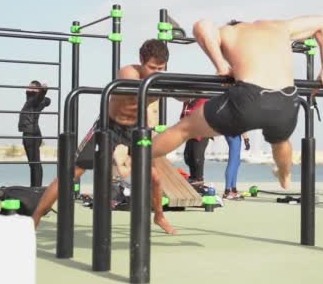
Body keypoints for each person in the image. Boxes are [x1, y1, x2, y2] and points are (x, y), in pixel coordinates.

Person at [151, 16, 323, 190]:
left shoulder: (230, 31)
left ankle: (135, 160)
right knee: (280, 140)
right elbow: (322, 23)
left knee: (184, 129)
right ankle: (285, 175)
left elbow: (201, 26)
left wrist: (221, 65)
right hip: (287, 100)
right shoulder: (280, 26)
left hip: (250, 98)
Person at [32, 39, 177, 234]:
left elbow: (183, 95)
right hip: (110, 127)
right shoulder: (128, 72)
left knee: (155, 178)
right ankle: (36, 217)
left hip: (135, 130)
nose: (156, 72)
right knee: (71, 174)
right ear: (141, 60)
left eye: (161, 68)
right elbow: (137, 88)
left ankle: (159, 216)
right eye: (152, 67)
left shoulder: (159, 78)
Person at [18, 80, 51, 187]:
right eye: (29, 86)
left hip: (31, 134)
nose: (28, 89)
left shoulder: (34, 100)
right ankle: (34, 186)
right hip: (31, 133)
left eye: (32, 87)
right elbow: (46, 101)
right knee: (33, 164)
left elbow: (41, 98)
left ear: (37, 90)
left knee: (35, 164)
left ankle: (36, 187)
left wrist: (43, 91)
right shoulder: (32, 100)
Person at [180, 98, 210, 187]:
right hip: (190, 134)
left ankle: (199, 179)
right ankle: (193, 177)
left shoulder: (203, 100)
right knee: (187, 156)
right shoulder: (187, 102)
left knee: (197, 156)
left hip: (201, 134)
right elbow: (183, 116)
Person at [223, 133, 250, 199]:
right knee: (233, 162)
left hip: (231, 134)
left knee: (236, 162)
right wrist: (246, 139)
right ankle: (227, 191)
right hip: (234, 135)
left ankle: (233, 189)